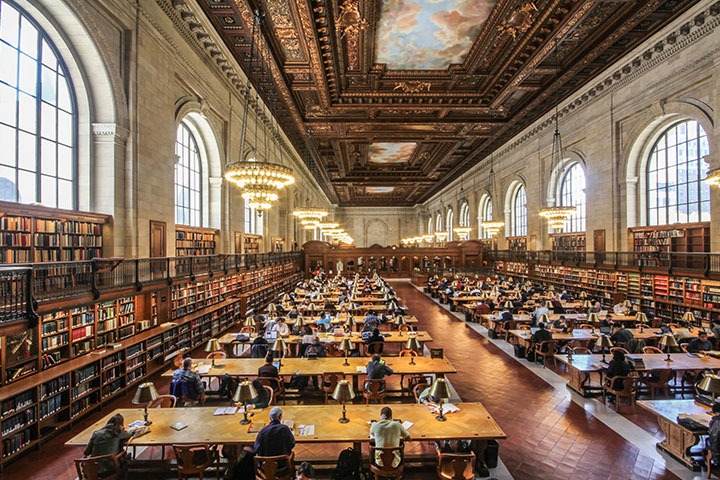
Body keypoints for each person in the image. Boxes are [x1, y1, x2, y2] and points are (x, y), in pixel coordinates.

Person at [705, 403, 720, 469]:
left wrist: (716, 459)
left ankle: (708, 465)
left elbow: (715, 440)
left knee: (707, 441)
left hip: (717, 454)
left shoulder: (716, 422)